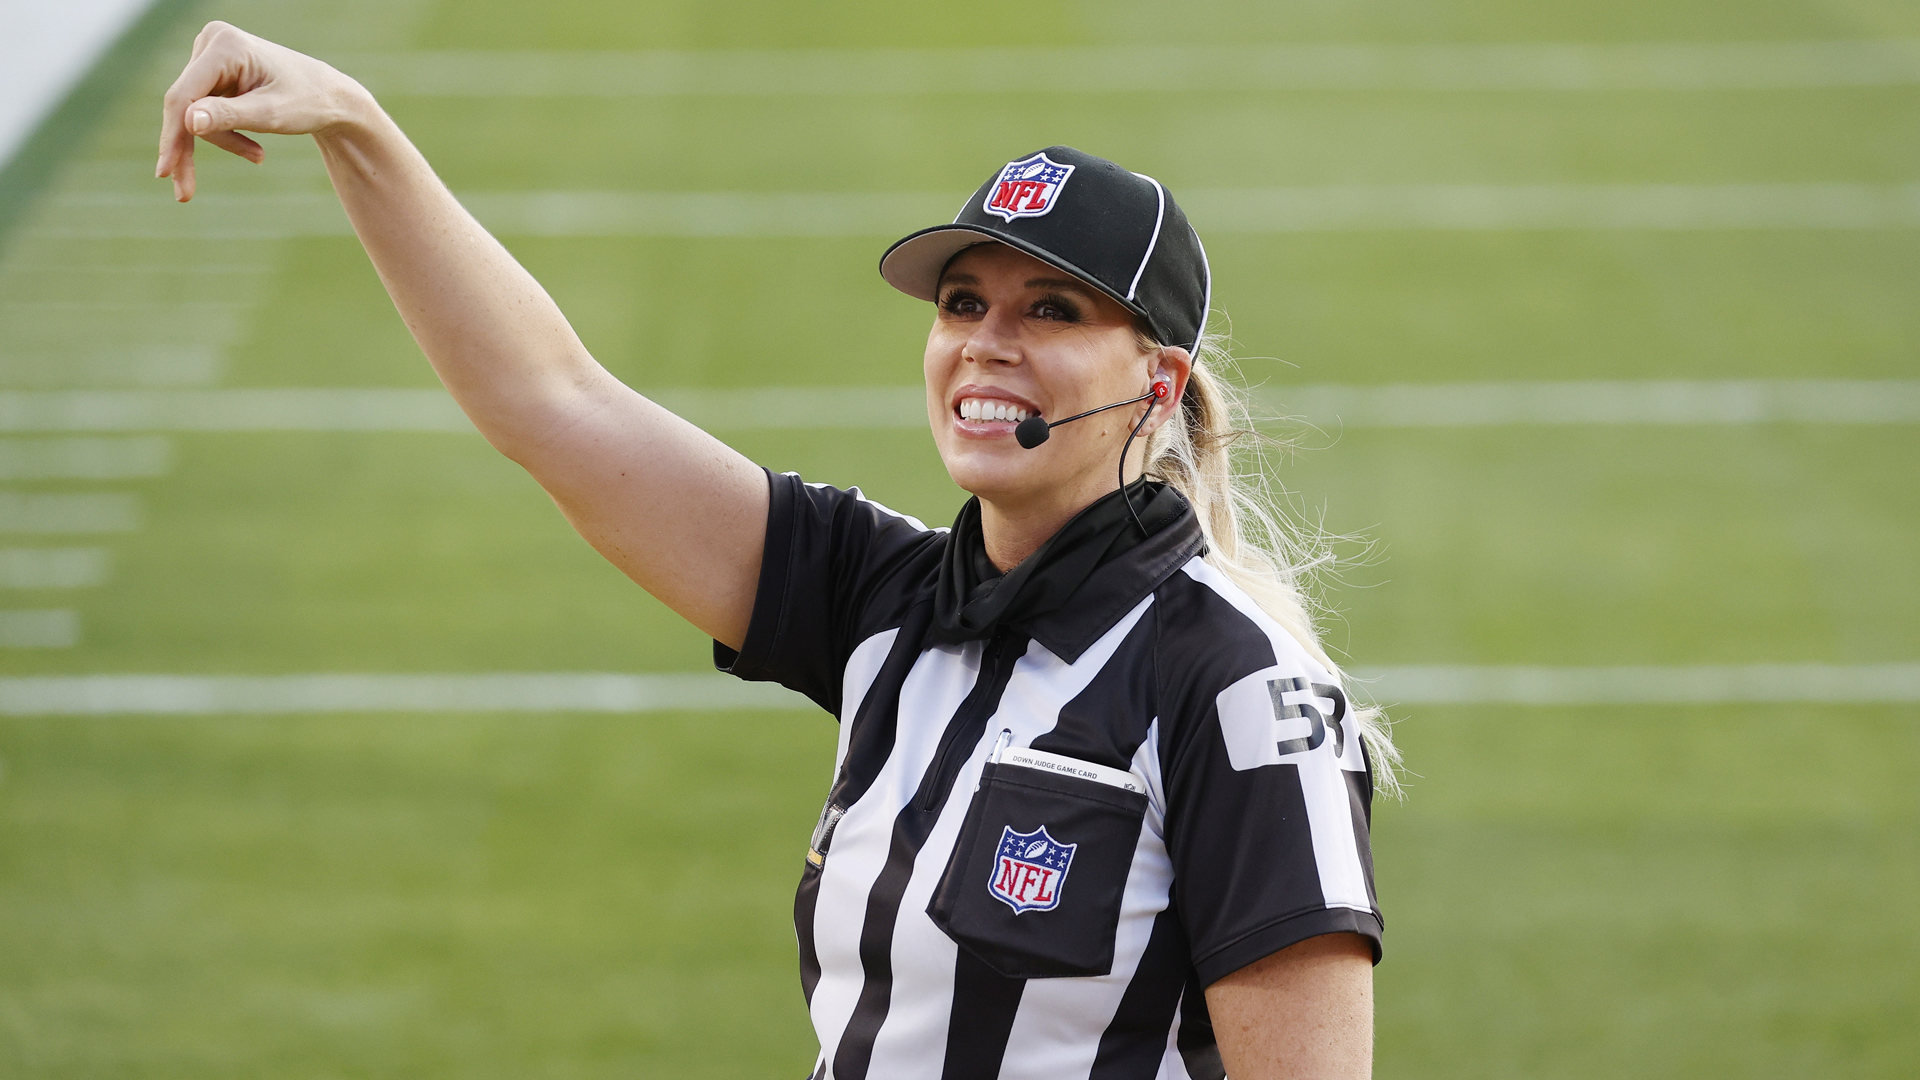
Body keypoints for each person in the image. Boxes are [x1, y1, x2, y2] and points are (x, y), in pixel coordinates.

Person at [156, 21, 1398, 1080]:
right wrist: (358, 129)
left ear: (1156, 382)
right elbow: (555, 405)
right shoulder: (889, 599)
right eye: (964, 304)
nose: (985, 344)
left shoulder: (1237, 686)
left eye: (1051, 311)